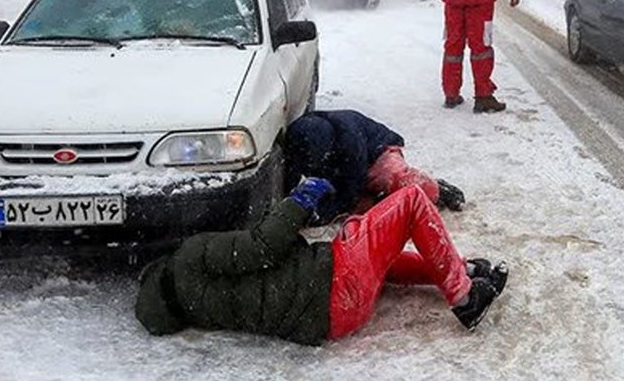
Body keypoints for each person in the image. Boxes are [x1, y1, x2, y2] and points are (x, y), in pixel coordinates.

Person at [135, 178, 508, 345]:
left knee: (370, 246)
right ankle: (465, 299)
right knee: (409, 202)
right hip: (330, 279)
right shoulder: (189, 256)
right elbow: (263, 246)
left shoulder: (192, 305)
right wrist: (299, 199)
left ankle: (468, 271)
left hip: (332, 318)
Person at [284, 110, 465, 225]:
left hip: (378, 154)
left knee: (395, 180)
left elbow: (352, 184)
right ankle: (379, 198)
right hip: (344, 170)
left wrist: (327, 213)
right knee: (363, 213)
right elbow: (292, 171)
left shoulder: (349, 140)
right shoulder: (298, 139)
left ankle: (436, 189)